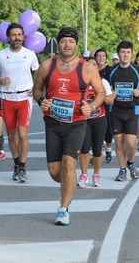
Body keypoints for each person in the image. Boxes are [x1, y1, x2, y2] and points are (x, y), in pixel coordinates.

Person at [32, 27, 105, 226]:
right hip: (53, 122)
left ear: (76, 44)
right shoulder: (47, 66)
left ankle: (63, 210)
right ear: (59, 44)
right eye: (63, 41)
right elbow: (37, 89)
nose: (67, 45)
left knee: (69, 164)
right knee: (55, 172)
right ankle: (68, 187)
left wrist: (91, 106)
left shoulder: (87, 68)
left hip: (76, 123)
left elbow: (101, 93)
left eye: (71, 42)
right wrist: (41, 101)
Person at [0, 23, 40, 183]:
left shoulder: (30, 54)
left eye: (19, 35)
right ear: (8, 37)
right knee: (11, 134)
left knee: (23, 133)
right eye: (13, 35)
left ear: (23, 37)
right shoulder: (0, 55)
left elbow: (39, 73)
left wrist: (37, 87)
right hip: (7, 97)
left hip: (25, 97)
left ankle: (23, 167)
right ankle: (16, 165)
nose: (17, 38)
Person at [105, 41, 139, 182]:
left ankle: (131, 162)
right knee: (118, 143)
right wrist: (109, 92)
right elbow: (103, 87)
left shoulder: (137, 70)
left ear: (131, 54)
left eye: (128, 52)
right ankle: (122, 169)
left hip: (131, 110)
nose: (125, 55)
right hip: (115, 111)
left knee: (130, 143)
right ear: (118, 54)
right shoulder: (111, 71)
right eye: (123, 52)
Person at [77, 57, 115, 187]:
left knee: (98, 149)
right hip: (84, 119)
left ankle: (96, 175)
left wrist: (99, 97)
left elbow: (111, 101)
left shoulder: (102, 82)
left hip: (99, 119)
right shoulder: (80, 82)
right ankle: (84, 175)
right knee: (84, 148)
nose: (91, 67)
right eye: (89, 64)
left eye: (94, 64)